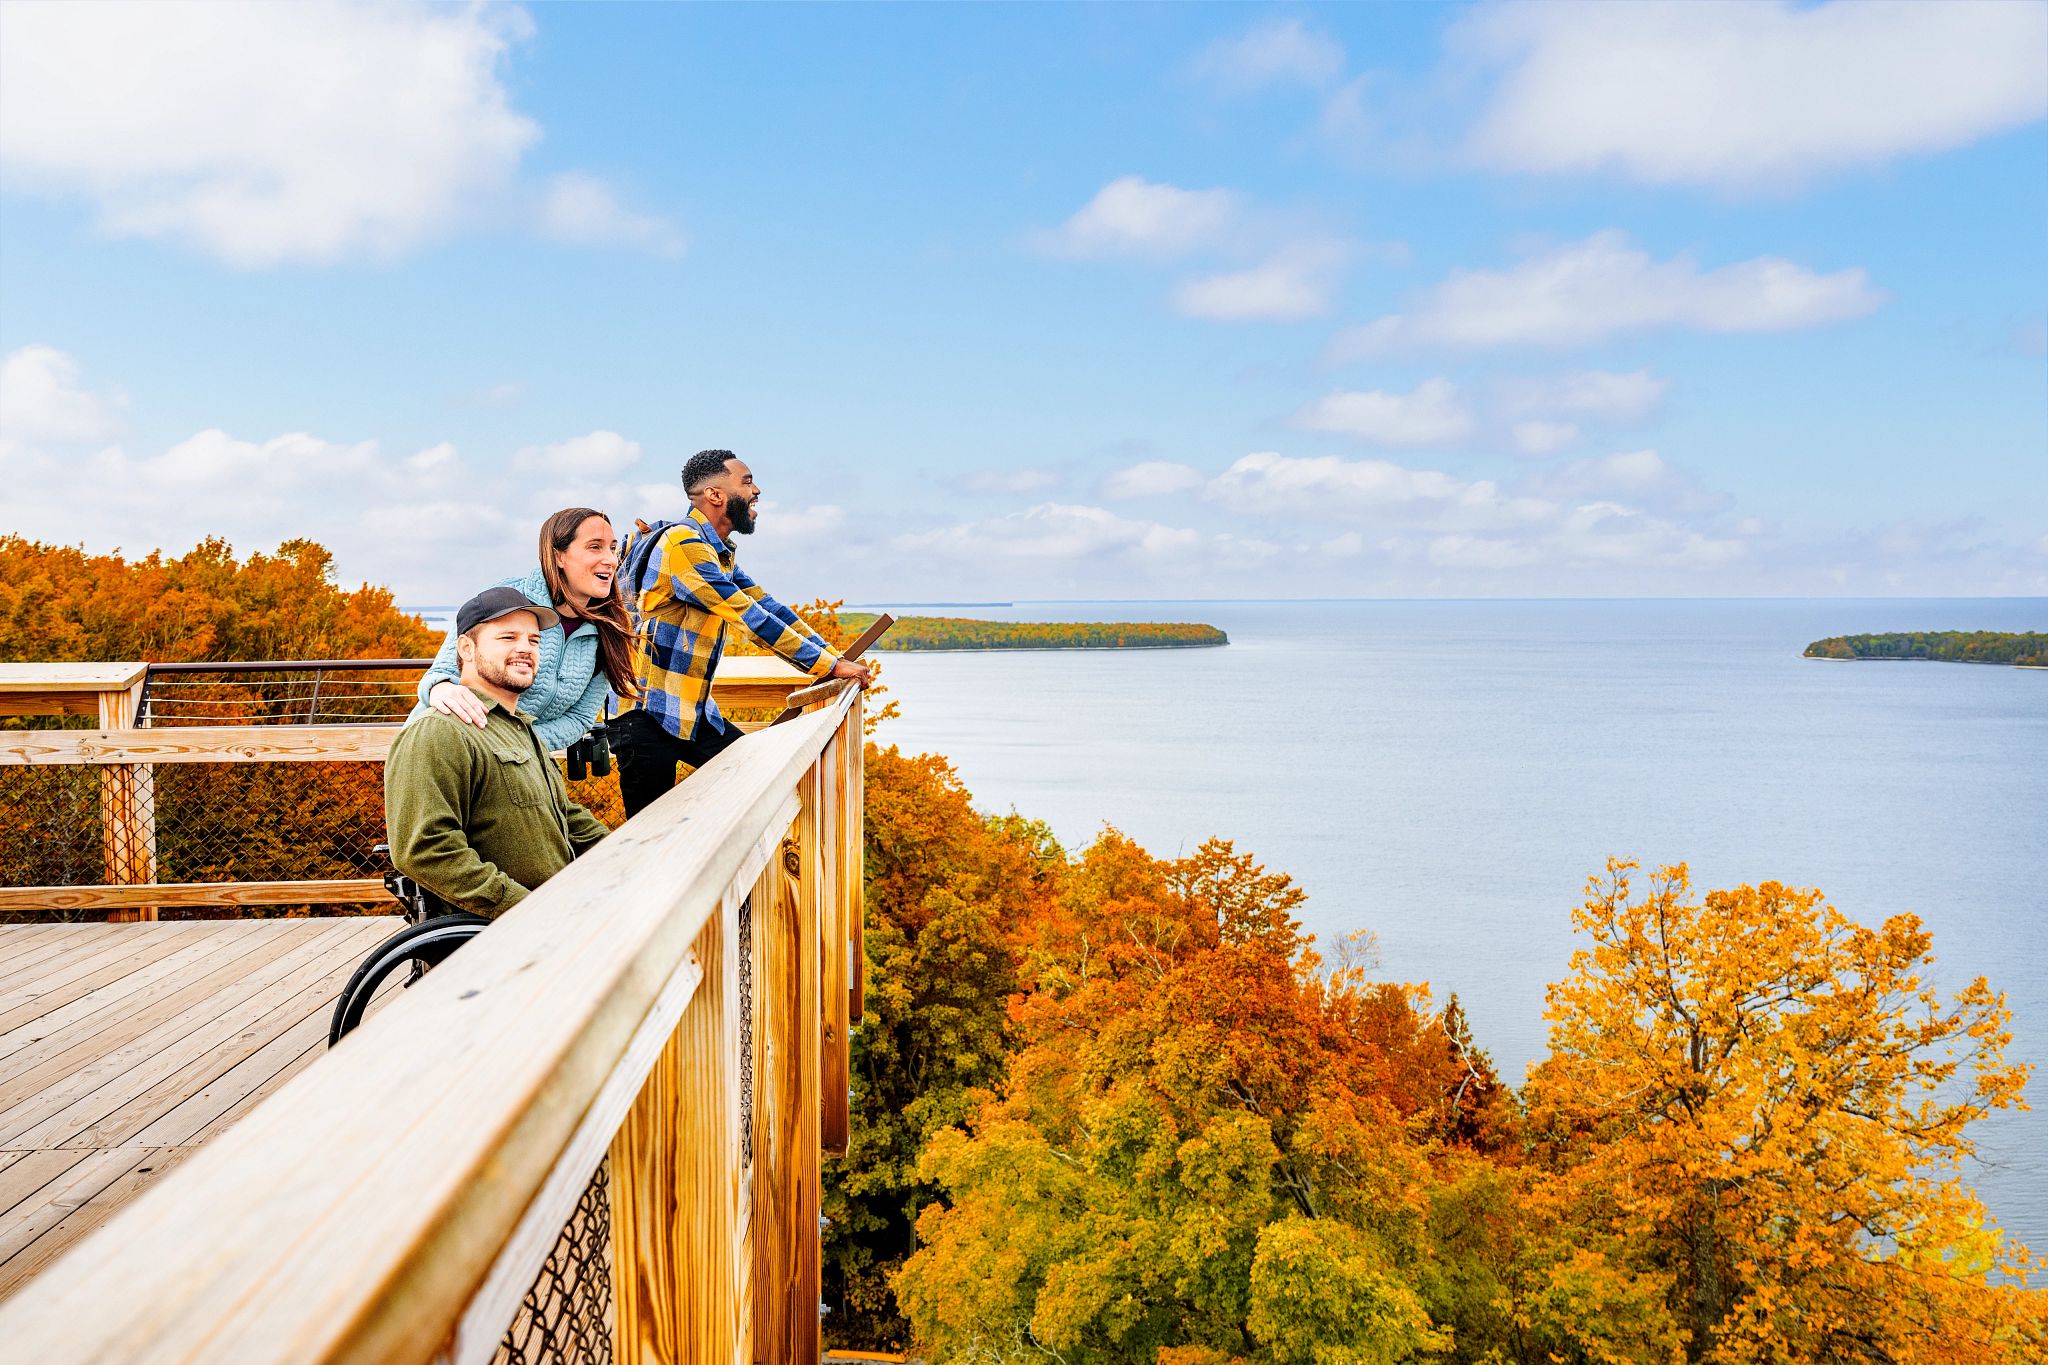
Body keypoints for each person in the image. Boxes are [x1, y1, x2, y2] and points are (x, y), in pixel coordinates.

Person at [612, 448, 871, 817]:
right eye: (747, 482)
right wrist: (827, 666)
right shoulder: (683, 546)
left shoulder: (716, 551)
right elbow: (750, 618)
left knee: (757, 778)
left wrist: (834, 657)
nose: (757, 491)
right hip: (646, 715)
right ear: (715, 495)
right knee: (646, 838)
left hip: (691, 712)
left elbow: (770, 608)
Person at [385, 586, 612, 917]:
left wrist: (630, 852)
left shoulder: (520, 728)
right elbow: (425, 851)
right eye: (508, 638)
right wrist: (527, 910)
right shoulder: (440, 732)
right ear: (465, 647)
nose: (525, 648)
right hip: (507, 932)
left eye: (534, 641)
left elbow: (565, 816)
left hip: (565, 908)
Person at [410, 507, 640, 753]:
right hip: (447, 749)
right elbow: (441, 675)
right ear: (558, 556)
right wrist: (441, 688)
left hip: (517, 763)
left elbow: (580, 718)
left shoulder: (608, 631)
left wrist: (516, 744)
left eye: (612, 548)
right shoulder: (506, 600)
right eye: (595, 547)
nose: (611, 559)